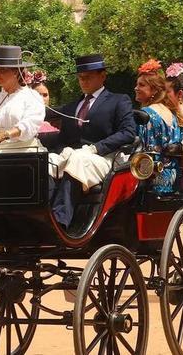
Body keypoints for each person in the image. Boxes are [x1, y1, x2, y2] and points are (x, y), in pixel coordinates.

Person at [48, 53, 137, 227]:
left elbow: (128, 132)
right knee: (46, 162)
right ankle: (43, 215)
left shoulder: (118, 101)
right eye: (80, 77)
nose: (83, 81)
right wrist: (60, 151)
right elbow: (62, 139)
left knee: (78, 160)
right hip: (72, 155)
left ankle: (60, 220)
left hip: (103, 158)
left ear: (102, 76)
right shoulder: (71, 107)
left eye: (88, 77)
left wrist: (95, 148)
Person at [133, 59, 183, 194]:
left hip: (152, 178)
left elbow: (141, 149)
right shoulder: (173, 114)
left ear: (154, 90)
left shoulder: (147, 114)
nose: (136, 88)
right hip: (173, 177)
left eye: (141, 85)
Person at [24, 70, 60, 135]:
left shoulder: (59, 119)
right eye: (37, 94)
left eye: (45, 95)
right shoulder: (23, 120)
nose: (42, 99)